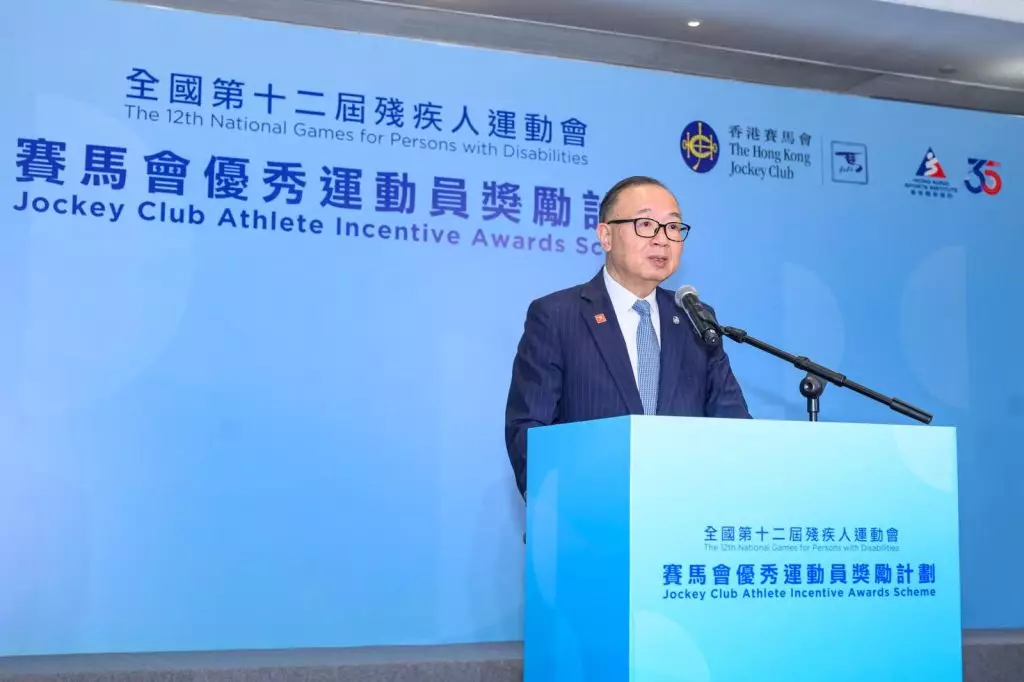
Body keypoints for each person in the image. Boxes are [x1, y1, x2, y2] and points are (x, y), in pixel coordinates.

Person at [504, 175, 751, 499]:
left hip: (684, 512)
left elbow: (734, 425)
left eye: (673, 227)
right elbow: (529, 431)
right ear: (606, 236)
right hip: (589, 513)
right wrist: (557, 508)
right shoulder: (557, 316)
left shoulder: (696, 318)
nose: (662, 239)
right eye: (646, 224)